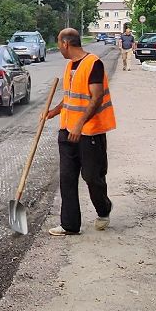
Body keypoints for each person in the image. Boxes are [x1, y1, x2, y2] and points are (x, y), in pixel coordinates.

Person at [43, 28, 115, 236]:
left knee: (92, 177)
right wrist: (55, 111)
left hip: (89, 133)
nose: (58, 46)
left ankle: (104, 209)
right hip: (67, 132)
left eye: (58, 43)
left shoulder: (94, 64)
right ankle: (70, 225)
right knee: (67, 178)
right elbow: (72, 95)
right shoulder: (70, 66)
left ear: (65, 43)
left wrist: (80, 125)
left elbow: (96, 98)